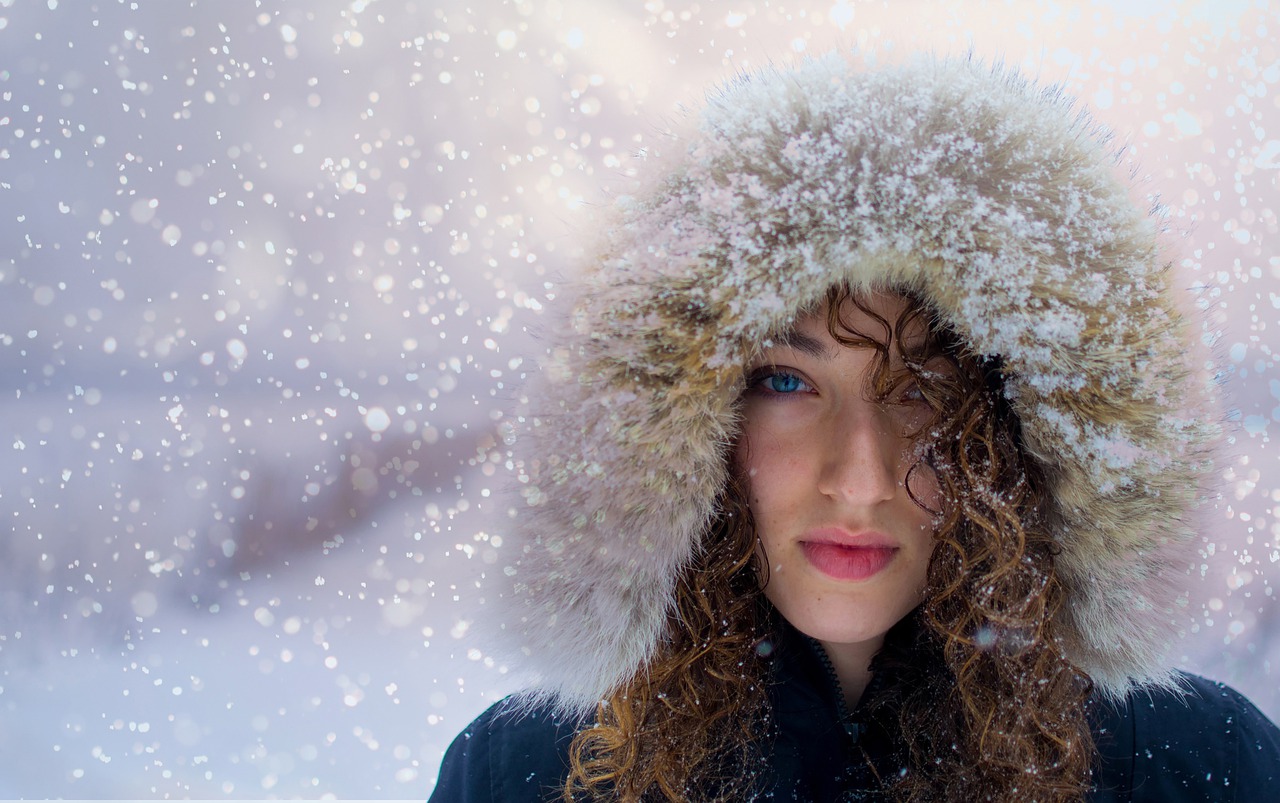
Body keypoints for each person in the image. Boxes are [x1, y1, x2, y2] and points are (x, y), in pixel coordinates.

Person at [428, 52, 1280, 801]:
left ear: (1024, 437)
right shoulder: (527, 774)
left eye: (924, 391)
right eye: (789, 381)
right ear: (686, 427)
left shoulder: (1195, 768)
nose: (861, 477)